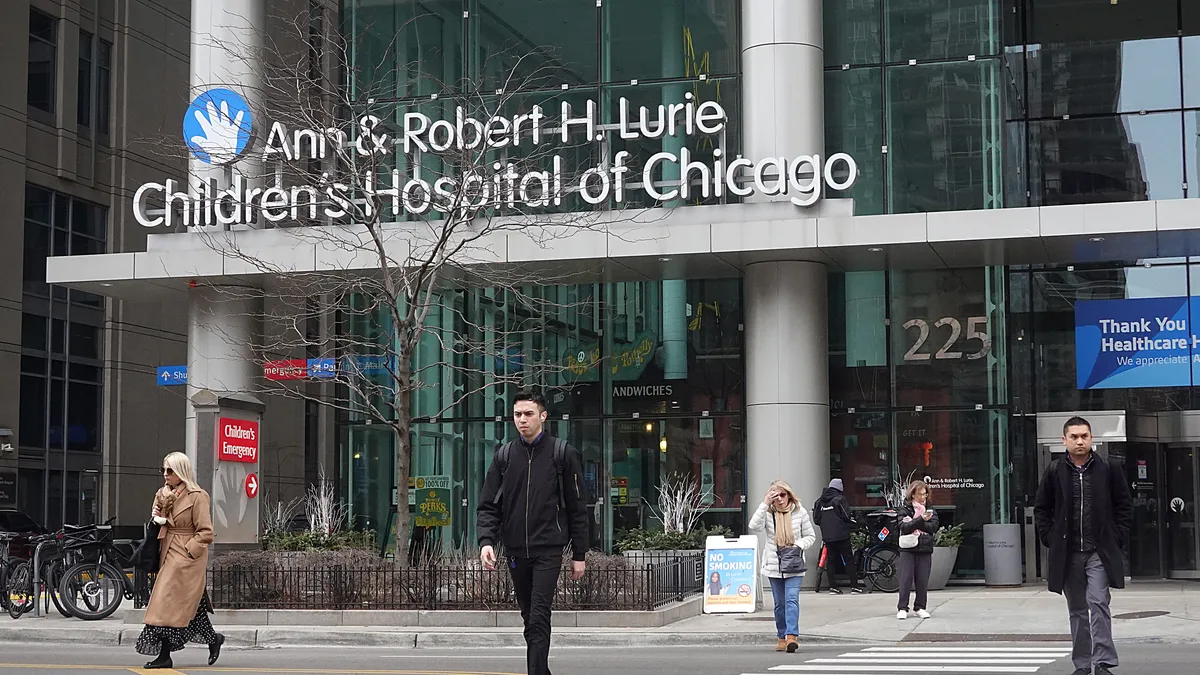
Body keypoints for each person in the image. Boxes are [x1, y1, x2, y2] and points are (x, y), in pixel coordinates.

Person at [477, 391, 589, 675]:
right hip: (515, 550)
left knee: (539, 616)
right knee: (529, 617)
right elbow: (488, 504)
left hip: (548, 550)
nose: (522, 420)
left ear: (543, 416)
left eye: (528, 414)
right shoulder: (504, 456)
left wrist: (579, 554)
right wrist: (486, 541)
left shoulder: (561, 453)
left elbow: (577, 507)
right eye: (517, 415)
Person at [1034, 416, 1132, 675]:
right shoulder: (1055, 471)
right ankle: (1082, 665)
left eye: (1084, 436)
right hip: (1068, 553)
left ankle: (1103, 662)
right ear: (1064, 440)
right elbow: (1042, 508)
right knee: (1077, 610)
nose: (1080, 441)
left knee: (1098, 602)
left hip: (1098, 551)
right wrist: (1049, 537)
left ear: (1092, 438)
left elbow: (1124, 506)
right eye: (1074, 436)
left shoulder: (1108, 468)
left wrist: (1117, 536)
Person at [135, 452, 224, 669]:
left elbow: (206, 532)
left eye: (170, 470)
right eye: (163, 470)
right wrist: (158, 520)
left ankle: (164, 655)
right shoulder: (162, 494)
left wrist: (188, 551)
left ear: (181, 472)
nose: (165, 475)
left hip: (186, 556)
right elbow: (159, 522)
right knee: (191, 609)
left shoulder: (197, 496)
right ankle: (214, 640)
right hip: (167, 550)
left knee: (166, 603)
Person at [748, 480, 817, 654]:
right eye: (775, 496)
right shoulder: (768, 513)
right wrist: (764, 503)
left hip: (794, 563)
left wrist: (798, 545)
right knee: (779, 604)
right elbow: (753, 526)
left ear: (789, 495)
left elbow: (810, 536)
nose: (779, 499)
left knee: (791, 600)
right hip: (774, 565)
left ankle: (791, 636)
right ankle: (781, 636)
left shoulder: (800, 512)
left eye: (782, 495)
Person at [896, 479, 938, 620]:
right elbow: (904, 527)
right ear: (912, 494)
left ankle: (920, 607)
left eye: (925, 494)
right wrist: (921, 520)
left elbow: (933, 527)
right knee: (905, 579)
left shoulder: (931, 509)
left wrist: (915, 522)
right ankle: (902, 608)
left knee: (922, 579)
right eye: (920, 494)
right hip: (908, 548)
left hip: (925, 547)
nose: (923, 497)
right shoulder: (905, 509)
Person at [813, 478, 861, 594]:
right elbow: (846, 515)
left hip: (828, 536)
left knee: (831, 561)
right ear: (840, 488)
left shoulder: (819, 501)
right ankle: (854, 586)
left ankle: (833, 587)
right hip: (841, 534)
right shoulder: (839, 499)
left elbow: (816, 519)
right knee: (848, 559)